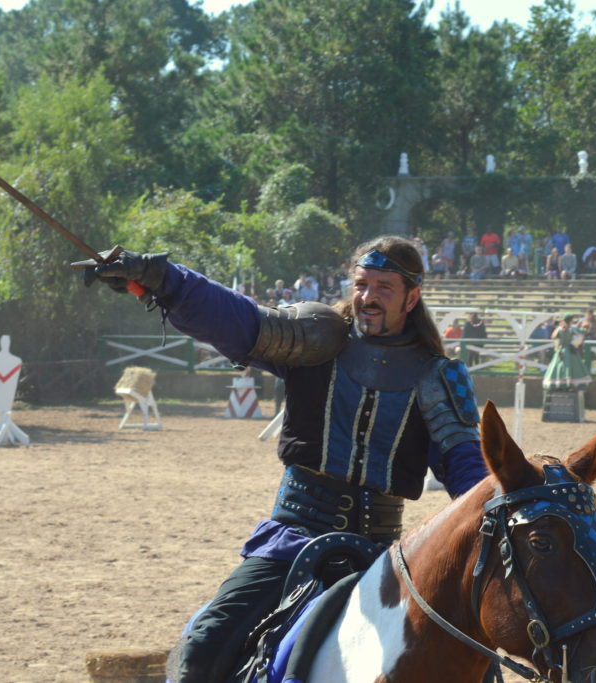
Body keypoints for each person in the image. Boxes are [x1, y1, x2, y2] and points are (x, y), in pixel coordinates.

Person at [84, 237, 490, 683]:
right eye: (362, 284)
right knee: (200, 654)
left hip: (382, 556)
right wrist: (164, 279)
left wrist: (507, 504)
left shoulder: (437, 377)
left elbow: (469, 475)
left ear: (412, 297)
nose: (368, 297)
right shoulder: (317, 339)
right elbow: (235, 318)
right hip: (291, 542)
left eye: (384, 287)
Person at [542, 314, 592, 390]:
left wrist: (557, 350)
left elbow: (554, 337)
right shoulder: (571, 329)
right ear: (570, 320)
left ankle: (560, 385)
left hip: (561, 349)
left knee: (560, 367)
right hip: (570, 350)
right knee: (571, 367)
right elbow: (583, 333)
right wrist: (575, 343)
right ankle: (569, 385)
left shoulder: (561, 329)